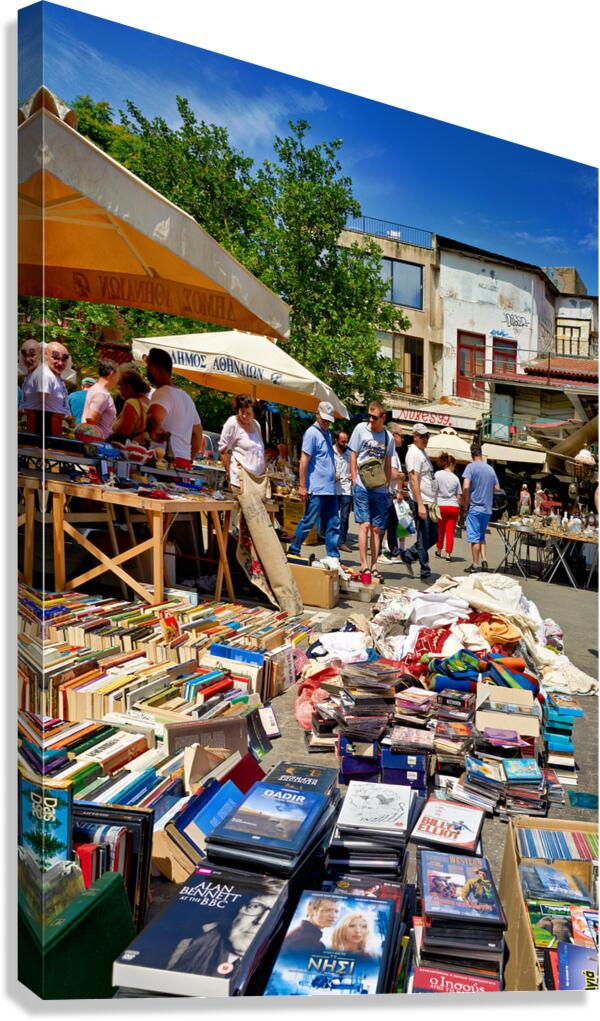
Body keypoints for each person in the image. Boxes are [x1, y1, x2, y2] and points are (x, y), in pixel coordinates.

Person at [166, 882, 282, 973]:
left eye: (275, 913)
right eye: (255, 906)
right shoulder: (187, 946)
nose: (260, 921)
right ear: (237, 911)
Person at [286, 402, 341, 566]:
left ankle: (333, 554)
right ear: (317, 414)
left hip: (330, 488)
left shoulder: (328, 433)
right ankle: (294, 548)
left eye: (329, 420)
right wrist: (302, 486)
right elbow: (304, 460)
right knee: (308, 520)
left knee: (333, 522)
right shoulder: (311, 433)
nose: (326, 422)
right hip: (317, 488)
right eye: (324, 419)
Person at [348, 401, 394, 579]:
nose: (371, 419)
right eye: (369, 415)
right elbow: (353, 453)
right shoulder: (360, 429)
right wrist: (353, 476)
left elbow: (388, 462)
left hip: (379, 487)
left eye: (375, 417)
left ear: (383, 417)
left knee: (377, 528)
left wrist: (387, 483)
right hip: (361, 484)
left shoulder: (387, 437)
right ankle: (364, 564)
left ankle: (375, 565)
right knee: (365, 525)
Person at [145, 347, 203, 468]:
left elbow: (154, 417)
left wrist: (154, 434)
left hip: (164, 462)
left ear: (152, 369)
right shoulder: (186, 398)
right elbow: (198, 433)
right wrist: (189, 459)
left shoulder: (163, 392)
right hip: (183, 462)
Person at [402, 423, 438, 580]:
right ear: (414, 436)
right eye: (422, 436)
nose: (425, 439)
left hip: (430, 502)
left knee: (433, 536)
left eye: (427, 436)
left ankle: (409, 555)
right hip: (421, 501)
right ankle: (425, 572)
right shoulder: (414, 453)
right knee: (423, 537)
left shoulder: (423, 453)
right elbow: (413, 478)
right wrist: (421, 504)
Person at [462, 443, 500, 573]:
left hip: (475, 508)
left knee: (474, 537)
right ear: (481, 453)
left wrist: (465, 503)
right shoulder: (490, 469)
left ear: (472, 454)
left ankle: (475, 564)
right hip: (487, 509)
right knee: (481, 536)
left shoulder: (470, 467)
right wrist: (486, 490)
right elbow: (497, 488)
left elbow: (466, 486)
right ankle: (484, 560)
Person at [218, 394, 265, 490]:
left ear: (254, 414)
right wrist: (228, 473)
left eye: (248, 413)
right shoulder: (233, 422)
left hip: (257, 481)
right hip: (240, 481)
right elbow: (223, 451)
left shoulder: (256, 425)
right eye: (242, 411)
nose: (244, 415)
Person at [384, 426, 412, 570]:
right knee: (385, 525)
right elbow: (394, 474)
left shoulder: (394, 452)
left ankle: (393, 551)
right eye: (401, 435)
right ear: (393, 435)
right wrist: (401, 476)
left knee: (393, 525)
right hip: (390, 493)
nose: (402, 439)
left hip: (394, 493)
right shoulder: (392, 453)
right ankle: (384, 552)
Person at [109, 368, 151, 444]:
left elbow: (122, 435)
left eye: (119, 387)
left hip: (131, 452)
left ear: (127, 387)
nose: (119, 390)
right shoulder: (149, 402)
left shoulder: (132, 403)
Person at [434, 452, 461, 562]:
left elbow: (433, 489)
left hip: (441, 505)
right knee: (450, 531)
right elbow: (459, 495)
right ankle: (448, 554)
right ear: (452, 464)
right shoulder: (455, 478)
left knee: (440, 530)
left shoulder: (437, 474)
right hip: (453, 506)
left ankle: (439, 550)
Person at [81, 360, 119, 438]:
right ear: (112, 374)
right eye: (118, 375)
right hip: (97, 443)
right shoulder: (101, 394)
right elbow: (91, 423)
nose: (119, 379)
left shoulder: (97, 390)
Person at [333, 430, 352, 552]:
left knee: (344, 517)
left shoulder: (350, 454)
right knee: (333, 516)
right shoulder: (331, 451)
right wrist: (332, 474)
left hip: (346, 489)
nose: (345, 443)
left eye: (346, 441)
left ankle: (341, 542)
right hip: (333, 488)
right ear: (336, 440)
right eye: (343, 441)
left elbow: (356, 467)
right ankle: (331, 539)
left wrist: (353, 474)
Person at [18, 338, 42, 412]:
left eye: (32, 355)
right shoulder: (28, 377)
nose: (27, 359)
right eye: (24, 355)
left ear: (40, 355)